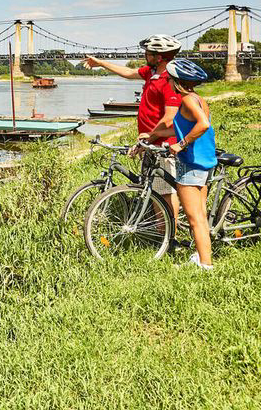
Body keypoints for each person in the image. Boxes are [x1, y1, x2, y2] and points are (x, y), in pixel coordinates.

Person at [85, 34, 183, 219]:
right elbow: (128, 73)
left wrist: (149, 138)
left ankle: (170, 240)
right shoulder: (151, 73)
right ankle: (160, 232)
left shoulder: (169, 80)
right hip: (150, 143)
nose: (145, 54)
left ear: (159, 57)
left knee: (165, 193)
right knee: (153, 189)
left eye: (148, 52)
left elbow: (169, 118)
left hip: (163, 145)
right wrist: (100, 63)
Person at [151, 58, 217, 270]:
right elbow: (185, 126)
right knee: (201, 215)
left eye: (169, 79)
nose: (167, 82)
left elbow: (203, 125)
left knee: (194, 218)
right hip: (202, 162)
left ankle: (206, 266)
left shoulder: (187, 100)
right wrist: (155, 135)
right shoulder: (197, 99)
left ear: (176, 81)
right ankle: (201, 257)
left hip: (192, 163)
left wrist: (181, 144)